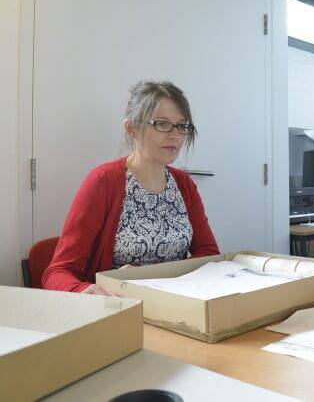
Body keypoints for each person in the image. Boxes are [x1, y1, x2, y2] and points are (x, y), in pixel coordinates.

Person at [43, 81, 220, 294]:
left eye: (182, 126)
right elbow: (57, 272)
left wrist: (163, 280)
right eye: (162, 124)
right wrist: (85, 290)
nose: (174, 135)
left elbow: (208, 253)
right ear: (132, 128)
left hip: (175, 305)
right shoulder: (104, 181)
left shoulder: (183, 184)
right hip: (119, 310)